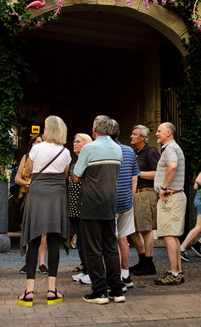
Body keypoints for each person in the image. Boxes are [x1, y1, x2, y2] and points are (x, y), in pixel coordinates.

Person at [18, 116, 72, 306]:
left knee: (33, 239)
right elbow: (65, 175)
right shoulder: (65, 151)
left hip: (37, 192)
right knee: (54, 240)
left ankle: (29, 291)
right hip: (57, 194)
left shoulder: (37, 148)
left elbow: (28, 170)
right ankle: (51, 290)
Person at [73, 115, 124, 304]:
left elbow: (76, 176)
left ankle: (100, 291)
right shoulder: (117, 148)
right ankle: (117, 290)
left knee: (93, 249)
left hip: (92, 204)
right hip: (110, 204)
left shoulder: (89, 148)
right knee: (111, 248)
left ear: (94, 130)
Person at [153, 122, 187, 286]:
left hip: (170, 198)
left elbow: (172, 166)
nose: (156, 133)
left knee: (169, 235)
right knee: (173, 235)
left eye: (159, 131)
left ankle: (174, 273)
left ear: (168, 133)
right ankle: (177, 272)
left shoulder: (170, 148)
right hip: (175, 197)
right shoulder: (173, 148)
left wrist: (164, 188)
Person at [110, 120, 139, 291]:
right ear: (119, 133)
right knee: (123, 239)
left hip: (110, 201)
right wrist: (130, 197)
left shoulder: (104, 150)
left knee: (111, 240)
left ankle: (116, 279)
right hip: (126, 201)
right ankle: (125, 274)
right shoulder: (129, 151)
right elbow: (135, 178)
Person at [129, 124, 160, 276]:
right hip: (134, 194)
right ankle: (142, 261)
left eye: (134, 134)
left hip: (146, 193)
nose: (131, 136)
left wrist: (138, 173)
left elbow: (158, 173)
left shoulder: (151, 151)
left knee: (146, 229)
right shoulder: (134, 152)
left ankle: (149, 263)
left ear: (142, 137)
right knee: (133, 230)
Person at [15, 135, 48, 274]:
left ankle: (42, 263)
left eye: (39, 142)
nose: (37, 144)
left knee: (43, 231)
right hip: (27, 196)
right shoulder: (26, 157)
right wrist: (27, 183)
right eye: (35, 142)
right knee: (28, 229)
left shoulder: (46, 157)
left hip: (42, 196)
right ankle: (28, 262)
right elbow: (17, 178)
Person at [70, 133, 92, 284]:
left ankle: (90, 271)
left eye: (78, 141)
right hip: (74, 207)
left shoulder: (88, 162)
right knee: (79, 240)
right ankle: (84, 269)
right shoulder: (74, 164)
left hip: (84, 205)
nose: (74, 143)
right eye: (74, 141)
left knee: (85, 240)